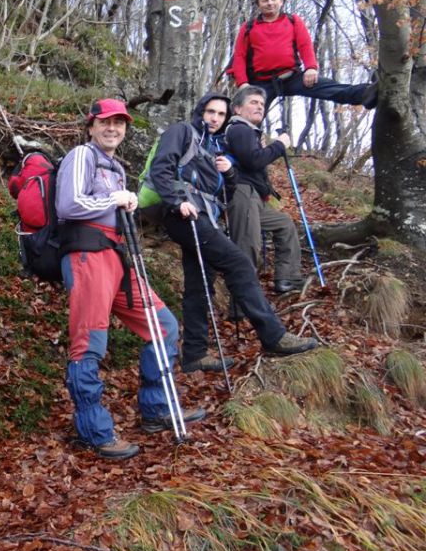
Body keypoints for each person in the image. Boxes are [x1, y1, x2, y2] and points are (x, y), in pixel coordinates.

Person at [55, 98, 206, 461]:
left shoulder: (117, 168)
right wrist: (114, 198)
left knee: (164, 326)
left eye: (120, 123)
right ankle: (94, 430)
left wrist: (123, 199)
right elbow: (69, 205)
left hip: (118, 258)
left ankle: (157, 409)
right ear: (91, 126)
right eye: (105, 122)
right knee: (88, 343)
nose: (113, 128)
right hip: (87, 256)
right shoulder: (81, 156)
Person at [149, 92, 318, 373]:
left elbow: (223, 196)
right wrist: (178, 202)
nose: (215, 118)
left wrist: (228, 175)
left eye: (220, 115)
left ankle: (194, 354)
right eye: (210, 112)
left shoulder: (216, 148)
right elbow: (161, 169)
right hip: (182, 215)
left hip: (204, 216)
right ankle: (273, 335)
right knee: (238, 262)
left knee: (200, 282)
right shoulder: (181, 131)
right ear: (200, 111)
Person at [228, 0, 377, 109]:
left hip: (292, 76)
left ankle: (367, 93)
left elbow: (305, 45)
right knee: (245, 115)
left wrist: (311, 67)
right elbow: (239, 56)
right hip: (262, 81)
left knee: (330, 88)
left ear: (281, 1)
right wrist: (243, 84)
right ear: (259, 5)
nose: (270, 3)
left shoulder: (293, 21)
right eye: (265, 0)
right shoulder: (248, 27)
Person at [222, 85, 306, 295]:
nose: (260, 107)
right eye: (253, 102)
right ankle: (242, 302)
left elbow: (254, 161)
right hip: (241, 192)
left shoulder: (249, 132)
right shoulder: (239, 129)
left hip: (255, 196)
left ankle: (287, 278)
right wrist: (279, 145)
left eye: (261, 104)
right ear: (238, 109)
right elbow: (253, 161)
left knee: (285, 225)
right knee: (247, 244)